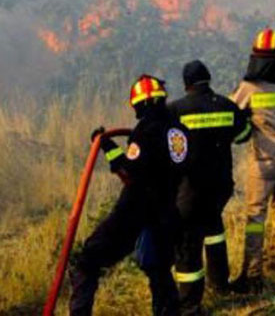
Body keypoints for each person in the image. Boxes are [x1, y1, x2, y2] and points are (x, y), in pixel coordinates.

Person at [69, 75, 190, 316]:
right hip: (166, 208)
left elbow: (131, 172)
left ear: (140, 104)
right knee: (159, 267)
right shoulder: (179, 131)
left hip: (135, 209)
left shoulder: (145, 131)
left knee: (87, 260)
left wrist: (107, 146)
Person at [168, 60, 251, 315]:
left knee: (188, 244)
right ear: (209, 79)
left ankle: (190, 304)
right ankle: (220, 284)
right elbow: (244, 135)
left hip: (189, 191)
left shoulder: (175, 110)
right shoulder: (226, 105)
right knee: (214, 231)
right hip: (220, 187)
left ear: (186, 84)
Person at [230, 27, 275, 293]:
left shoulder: (249, 88)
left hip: (262, 165)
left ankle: (252, 277)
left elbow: (230, 112)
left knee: (255, 219)